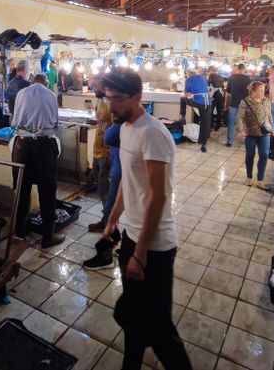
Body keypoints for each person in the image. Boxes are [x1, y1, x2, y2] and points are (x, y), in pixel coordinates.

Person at [101, 68, 193, 370]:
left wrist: (140, 254)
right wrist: (114, 218)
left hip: (154, 246)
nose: (110, 105)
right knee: (133, 319)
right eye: (107, 97)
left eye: (116, 99)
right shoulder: (126, 127)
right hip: (131, 235)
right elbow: (130, 182)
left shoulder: (153, 133)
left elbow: (158, 196)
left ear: (138, 97)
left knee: (159, 329)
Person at [11, 73, 64, 248]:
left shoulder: (22, 93)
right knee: (47, 189)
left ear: (33, 81)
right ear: (45, 82)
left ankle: (20, 231)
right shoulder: (50, 95)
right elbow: (55, 122)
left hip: (22, 145)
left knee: (21, 187)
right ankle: (48, 236)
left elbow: (15, 120)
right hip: (43, 145)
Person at [83, 121, 123, 270]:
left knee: (109, 209)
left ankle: (106, 256)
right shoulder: (126, 119)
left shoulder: (129, 122)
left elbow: (110, 136)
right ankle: (117, 237)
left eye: (116, 98)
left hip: (122, 175)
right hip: (118, 170)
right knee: (110, 209)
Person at [237, 81, 274, 189]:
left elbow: (269, 116)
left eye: (264, 91)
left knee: (264, 155)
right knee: (250, 155)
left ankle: (260, 179)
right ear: (252, 91)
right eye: (260, 91)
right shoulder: (245, 102)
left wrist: (273, 130)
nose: (263, 93)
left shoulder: (266, 101)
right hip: (250, 133)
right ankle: (249, 177)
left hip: (264, 133)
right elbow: (240, 117)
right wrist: (240, 130)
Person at [88, 76, 112, 232]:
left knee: (105, 190)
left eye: (95, 86)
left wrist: (110, 152)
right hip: (98, 149)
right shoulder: (100, 100)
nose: (92, 88)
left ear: (104, 86)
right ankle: (107, 220)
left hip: (106, 152)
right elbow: (100, 122)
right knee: (100, 188)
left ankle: (109, 224)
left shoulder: (111, 104)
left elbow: (115, 128)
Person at [180, 68, 210, 152]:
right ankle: (203, 144)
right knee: (205, 123)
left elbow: (186, 94)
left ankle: (183, 116)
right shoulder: (203, 78)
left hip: (198, 102)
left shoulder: (188, 80)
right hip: (208, 103)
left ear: (188, 73)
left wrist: (189, 96)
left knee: (182, 99)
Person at [225, 64, 252, 147]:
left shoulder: (232, 77)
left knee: (231, 123)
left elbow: (228, 92)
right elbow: (250, 92)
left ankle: (230, 142)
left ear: (237, 69)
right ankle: (243, 140)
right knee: (244, 123)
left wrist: (226, 102)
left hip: (233, 103)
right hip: (244, 103)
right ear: (244, 69)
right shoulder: (248, 79)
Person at [207, 66, 224, 131]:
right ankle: (217, 127)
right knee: (219, 112)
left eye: (209, 70)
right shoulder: (220, 76)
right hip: (220, 95)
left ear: (211, 70)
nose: (209, 72)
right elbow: (222, 86)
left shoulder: (211, 76)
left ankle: (210, 126)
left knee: (210, 111)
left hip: (214, 95)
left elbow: (208, 86)